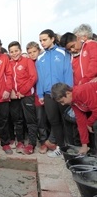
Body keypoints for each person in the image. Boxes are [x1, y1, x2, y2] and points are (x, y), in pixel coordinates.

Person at [35, 29, 73, 158]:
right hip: (48, 95)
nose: (42, 43)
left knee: (67, 121)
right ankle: (61, 148)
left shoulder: (63, 53)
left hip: (63, 93)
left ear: (52, 38)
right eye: (40, 40)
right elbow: (39, 78)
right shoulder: (40, 58)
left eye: (44, 39)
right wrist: (40, 95)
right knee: (54, 122)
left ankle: (70, 149)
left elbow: (68, 72)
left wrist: (69, 91)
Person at [8, 41, 38, 155]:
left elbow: (33, 77)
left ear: (20, 51)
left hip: (27, 95)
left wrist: (22, 91)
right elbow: (8, 79)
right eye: (11, 52)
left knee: (30, 120)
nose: (14, 53)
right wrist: (11, 91)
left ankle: (31, 143)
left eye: (16, 51)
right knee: (17, 120)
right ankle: (20, 141)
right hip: (14, 97)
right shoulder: (9, 64)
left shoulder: (27, 61)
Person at [26, 41, 56, 154]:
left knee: (52, 118)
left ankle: (52, 140)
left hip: (48, 93)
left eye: (34, 51)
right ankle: (43, 141)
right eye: (30, 52)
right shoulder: (29, 63)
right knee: (40, 119)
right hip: (36, 95)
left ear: (39, 50)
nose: (32, 54)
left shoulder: (44, 60)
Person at [51, 82, 97, 155]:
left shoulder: (82, 92)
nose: (62, 104)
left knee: (95, 125)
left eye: (62, 101)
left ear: (68, 93)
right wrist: (84, 145)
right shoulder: (73, 101)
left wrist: (89, 123)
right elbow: (81, 121)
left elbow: (96, 109)